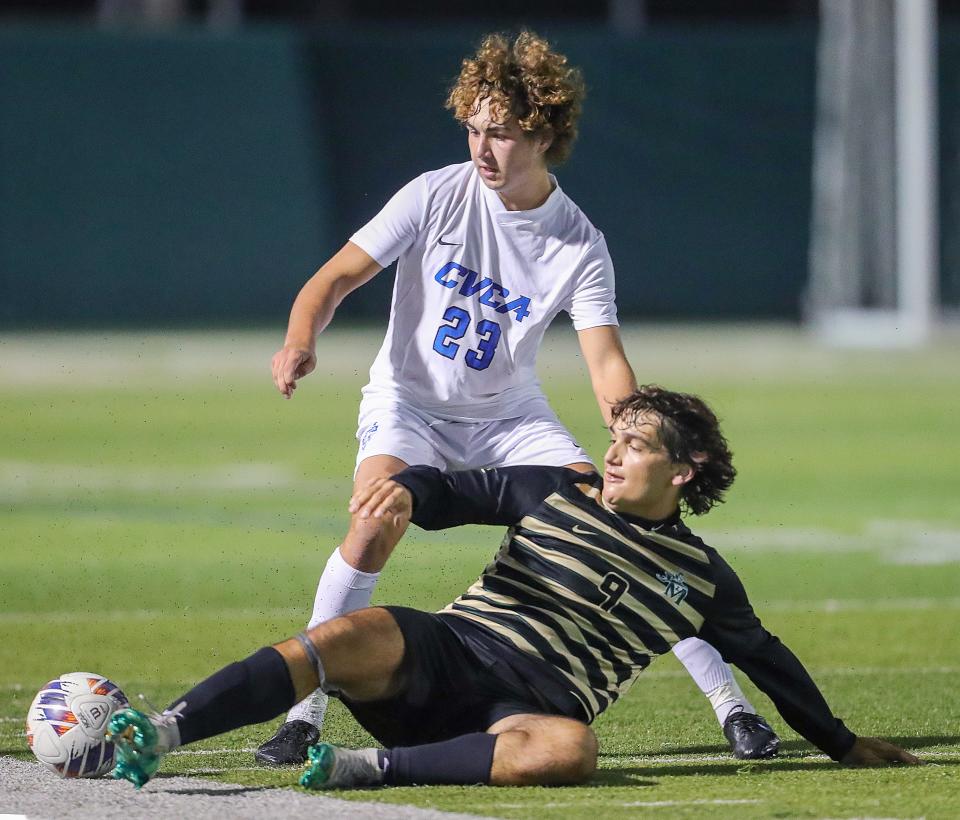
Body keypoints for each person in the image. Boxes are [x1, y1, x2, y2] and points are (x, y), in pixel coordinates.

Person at [260, 30, 777, 765]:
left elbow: (604, 361)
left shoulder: (577, 242)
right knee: (372, 522)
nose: (482, 147)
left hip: (510, 418)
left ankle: (734, 707)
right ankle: (305, 712)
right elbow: (334, 277)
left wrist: (636, 437)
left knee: (626, 532)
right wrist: (300, 337)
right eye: (473, 128)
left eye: (499, 132)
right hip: (409, 405)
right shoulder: (435, 195)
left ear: (543, 134)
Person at [108, 385, 919, 791]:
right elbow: (459, 490)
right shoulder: (555, 490)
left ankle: (368, 767)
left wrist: (840, 742)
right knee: (349, 634)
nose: (612, 452)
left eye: (633, 446)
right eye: (615, 437)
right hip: (446, 653)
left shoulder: (702, 577)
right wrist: (410, 494)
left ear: (680, 472)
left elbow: (769, 660)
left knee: (573, 750)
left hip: (525, 712)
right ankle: (168, 730)